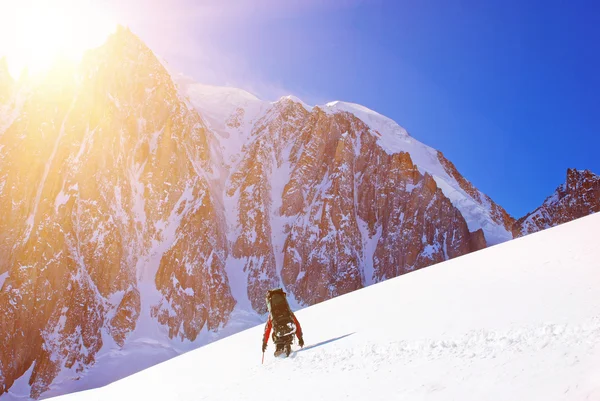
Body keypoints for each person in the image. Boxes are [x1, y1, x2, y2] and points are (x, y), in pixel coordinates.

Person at [261, 288, 304, 357]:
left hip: (279, 335)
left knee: (274, 334)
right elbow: (296, 323)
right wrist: (300, 338)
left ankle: (280, 348)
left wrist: (264, 343)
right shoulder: (287, 311)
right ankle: (287, 345)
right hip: (290, 333)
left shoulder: (272, 316)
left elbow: (267, 329)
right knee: (290, 326)